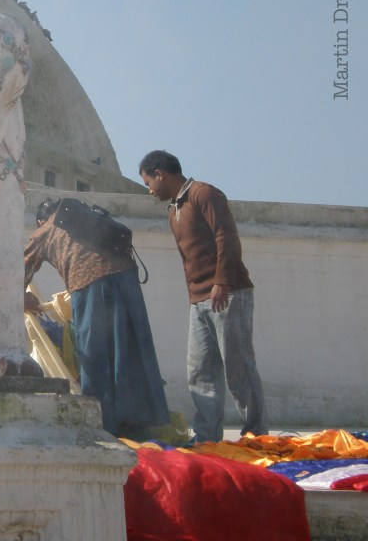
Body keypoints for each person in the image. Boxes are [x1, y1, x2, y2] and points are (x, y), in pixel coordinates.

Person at [138, 150, 268, 443]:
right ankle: (207, 438)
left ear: (160, 174)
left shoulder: (204, 194)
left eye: (148, 183)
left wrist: (222, 281)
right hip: (198, 301)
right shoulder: (173, 210)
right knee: (200, 372)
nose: (149, 190)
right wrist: (196, 298)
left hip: (228, 293)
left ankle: (257, 436)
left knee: (239, 369)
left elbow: (226, 238)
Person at [24, 199, 170, 438]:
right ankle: (138, 423)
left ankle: (101, 424)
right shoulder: (89, 217)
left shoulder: (45, 230)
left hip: (89, 284)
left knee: (94, 355)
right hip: (127, 280)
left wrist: (22, 297)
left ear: (41, 220)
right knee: (130, 350)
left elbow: (20, 270)